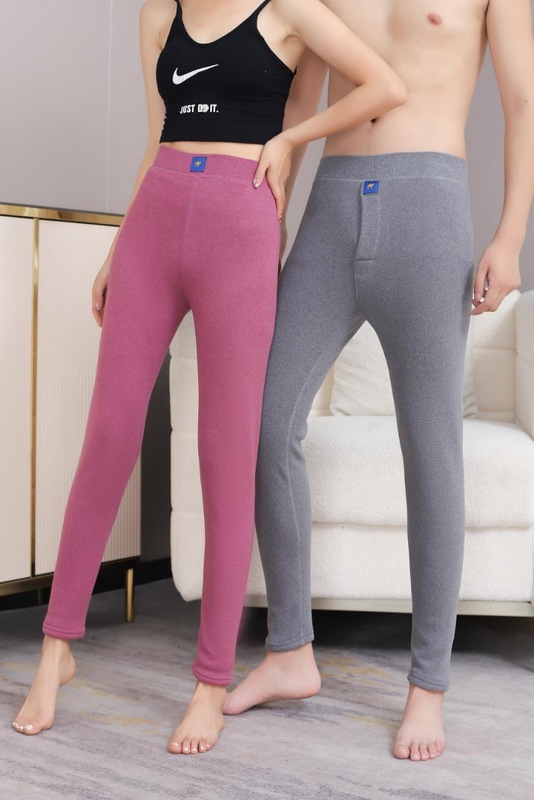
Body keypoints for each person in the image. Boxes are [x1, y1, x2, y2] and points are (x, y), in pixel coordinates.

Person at [11, 0, 406, 755]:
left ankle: (211, 682)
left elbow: (383, 84)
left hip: (240, 224)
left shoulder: (287, 9)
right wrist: (117, 249)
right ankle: (56, 650)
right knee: (108, 436)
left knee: (226, 458)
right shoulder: (158, 14)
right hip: (155, 217)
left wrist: (288, 141)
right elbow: (155, 135)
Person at [224, 0, 534, 762]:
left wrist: (510, 233)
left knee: (431, 451)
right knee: (265, 422)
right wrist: (271, 221)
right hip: (330, 206)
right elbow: (302, 100)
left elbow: (523, 99)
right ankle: (290, 649)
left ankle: (428, 686)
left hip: (430, 208)